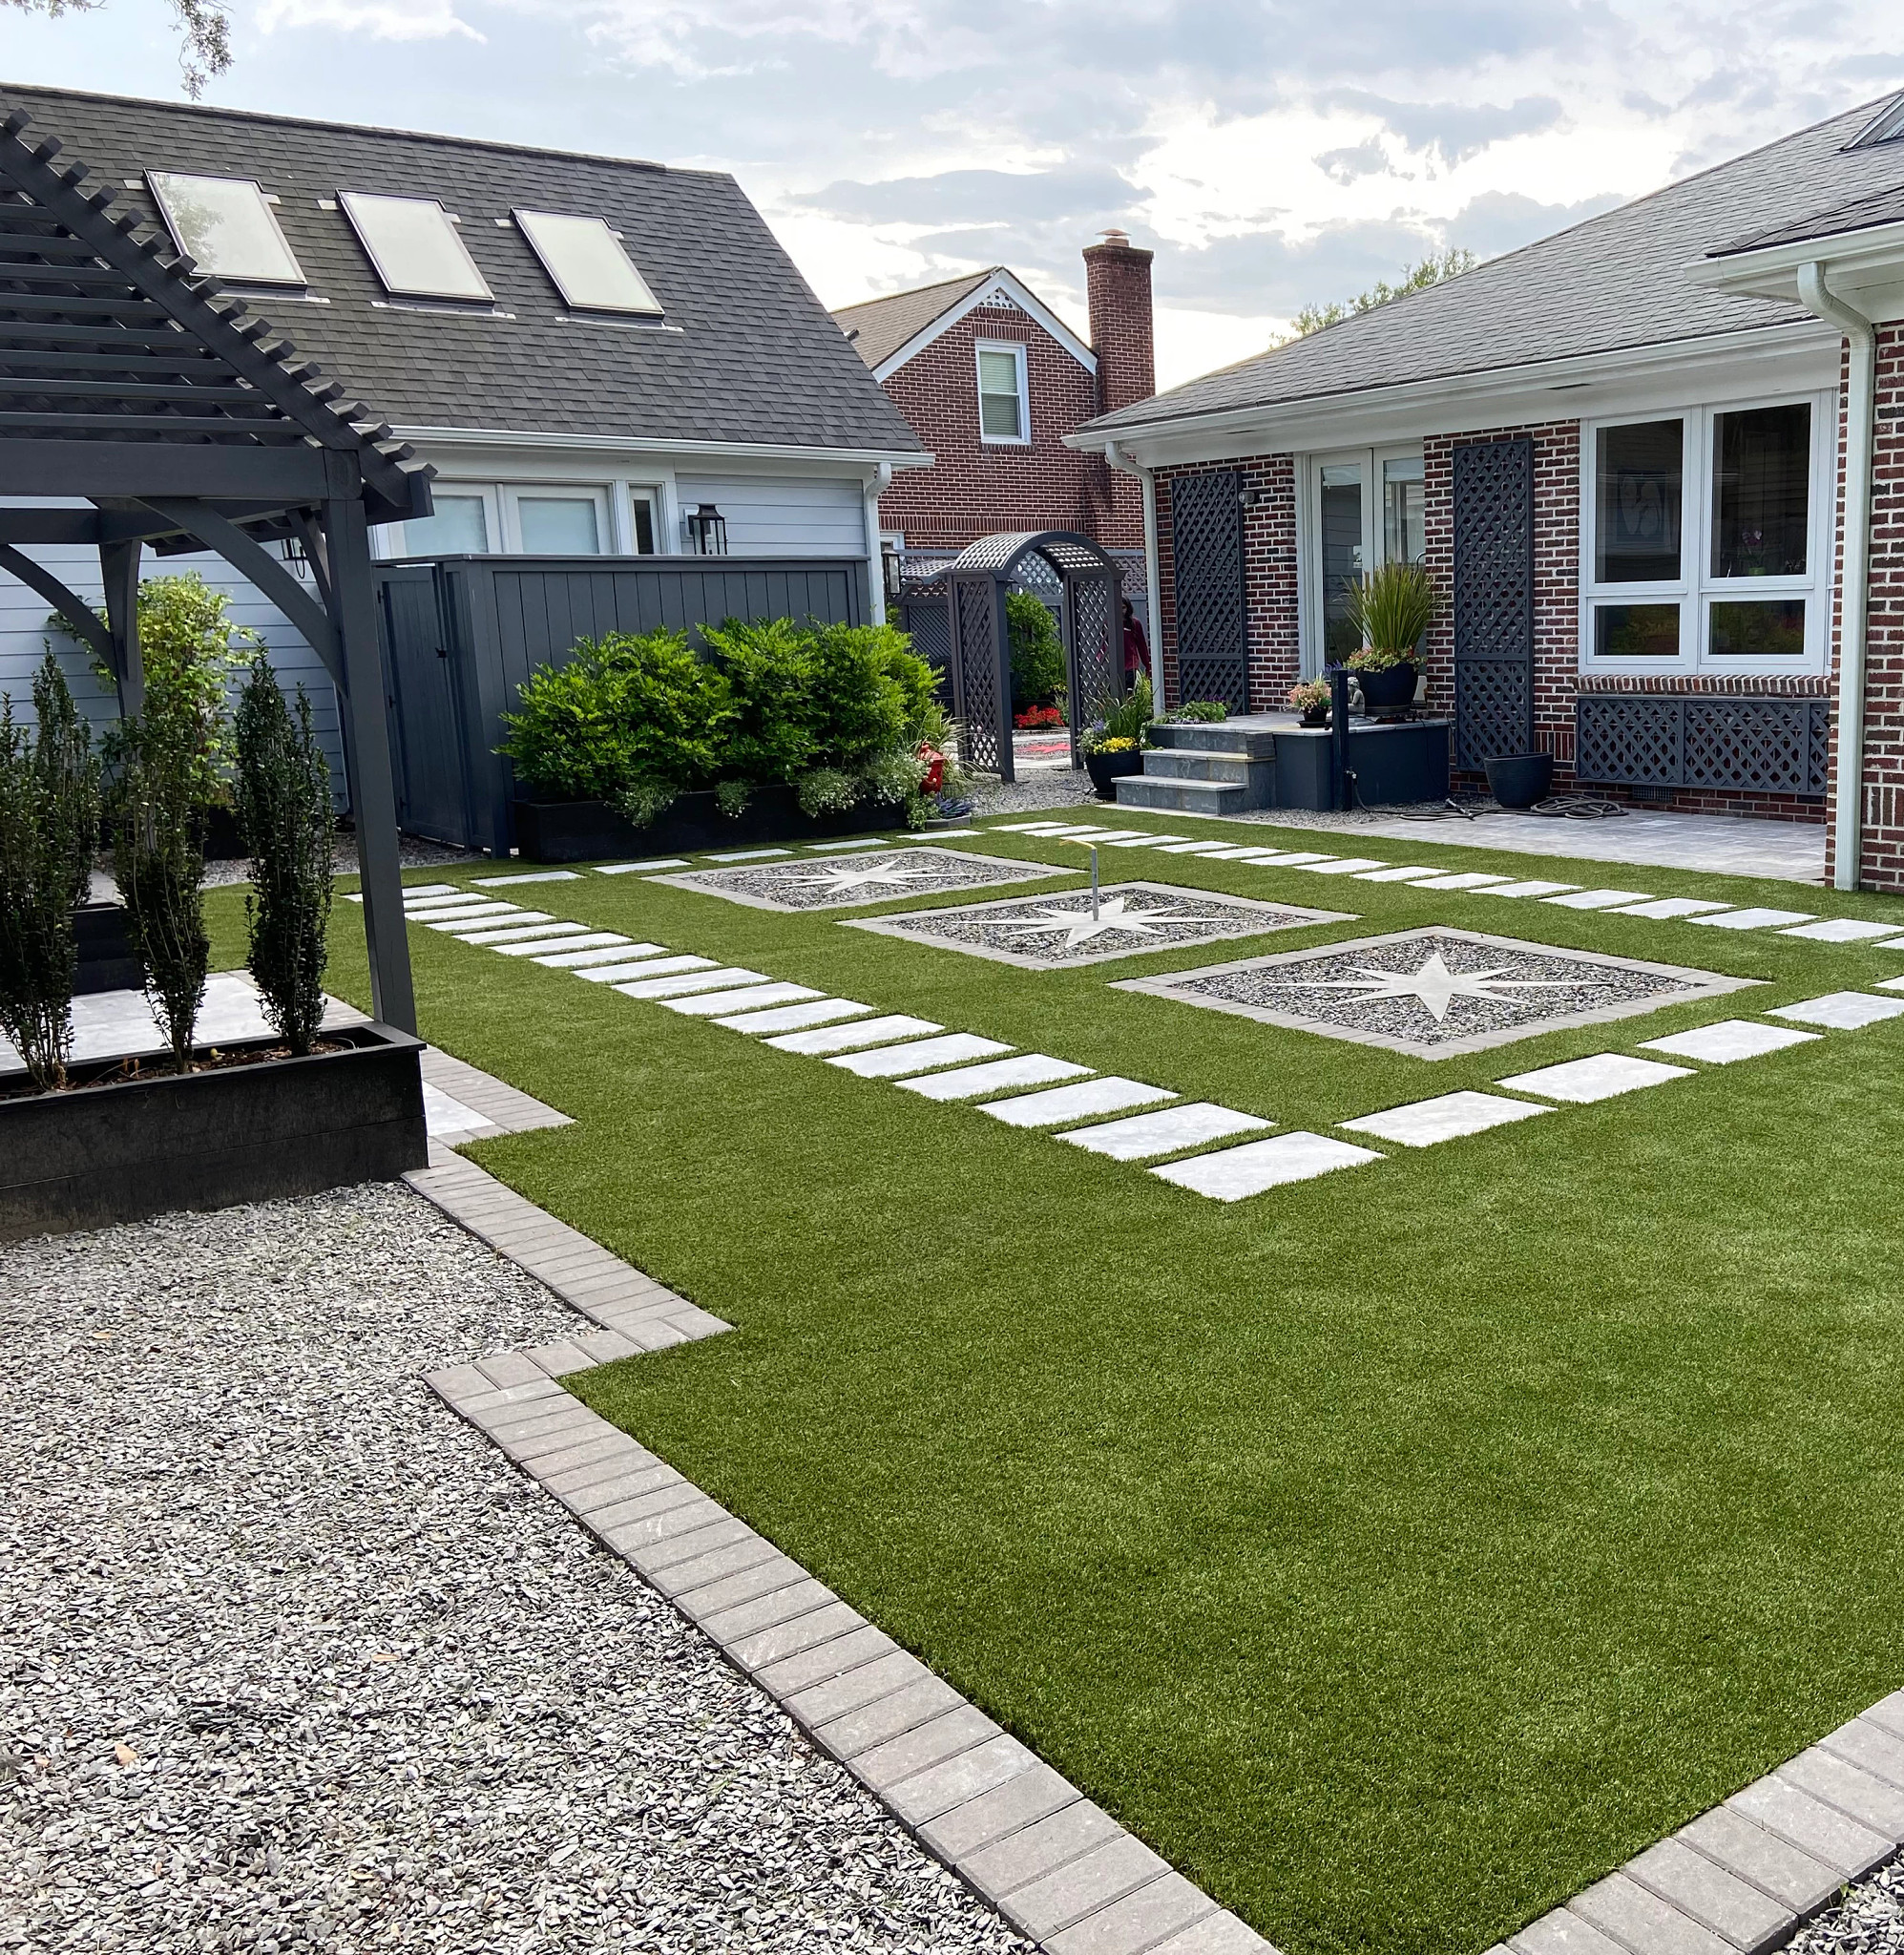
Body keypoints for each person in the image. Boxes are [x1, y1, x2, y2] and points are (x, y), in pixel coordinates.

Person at [1121, 599, 1149, 685]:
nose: (1121, 611)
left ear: (1128, 608)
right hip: (1114, 666)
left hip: (1131, 665)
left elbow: (1142, 646)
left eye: (1123, 608)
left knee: (1130, 692)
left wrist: (1148, 665)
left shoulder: (1135, 624)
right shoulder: (1109, 624)